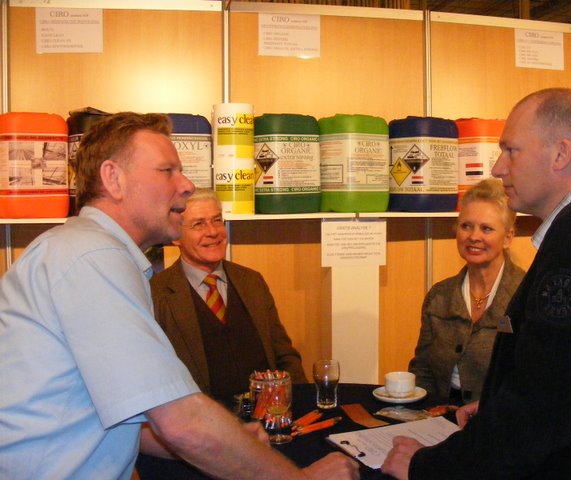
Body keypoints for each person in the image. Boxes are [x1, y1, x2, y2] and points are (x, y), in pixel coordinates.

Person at [0, 112, 359, 480]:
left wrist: (234, 443)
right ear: (113, 178)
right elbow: (183, 424)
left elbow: (117, 418)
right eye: (167, 171)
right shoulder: (93, 257)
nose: (186, 185)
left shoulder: (85, 251)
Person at [382, 88, 571, 479]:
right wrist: (496, 407)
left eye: (511, 150)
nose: (498, 168)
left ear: (560, 155)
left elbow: (543, 409)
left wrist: (425, 466)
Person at [136, 188, 308, 478]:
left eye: (217, 220)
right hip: (200, 453)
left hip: (269, 439)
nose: (213, 232)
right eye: (199, 224)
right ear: (176, 236)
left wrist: (294, 406)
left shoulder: (252, 282)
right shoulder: (155, 295)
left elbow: (285, 355)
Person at [408, 179, 525, 404]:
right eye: (466, 226)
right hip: (440, 412)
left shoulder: (526, 295)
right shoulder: (439, 296)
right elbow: (422, 370)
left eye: (486, 228)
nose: (474, 237)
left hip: (501, 415)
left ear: (508, 237)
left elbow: (533, 376)